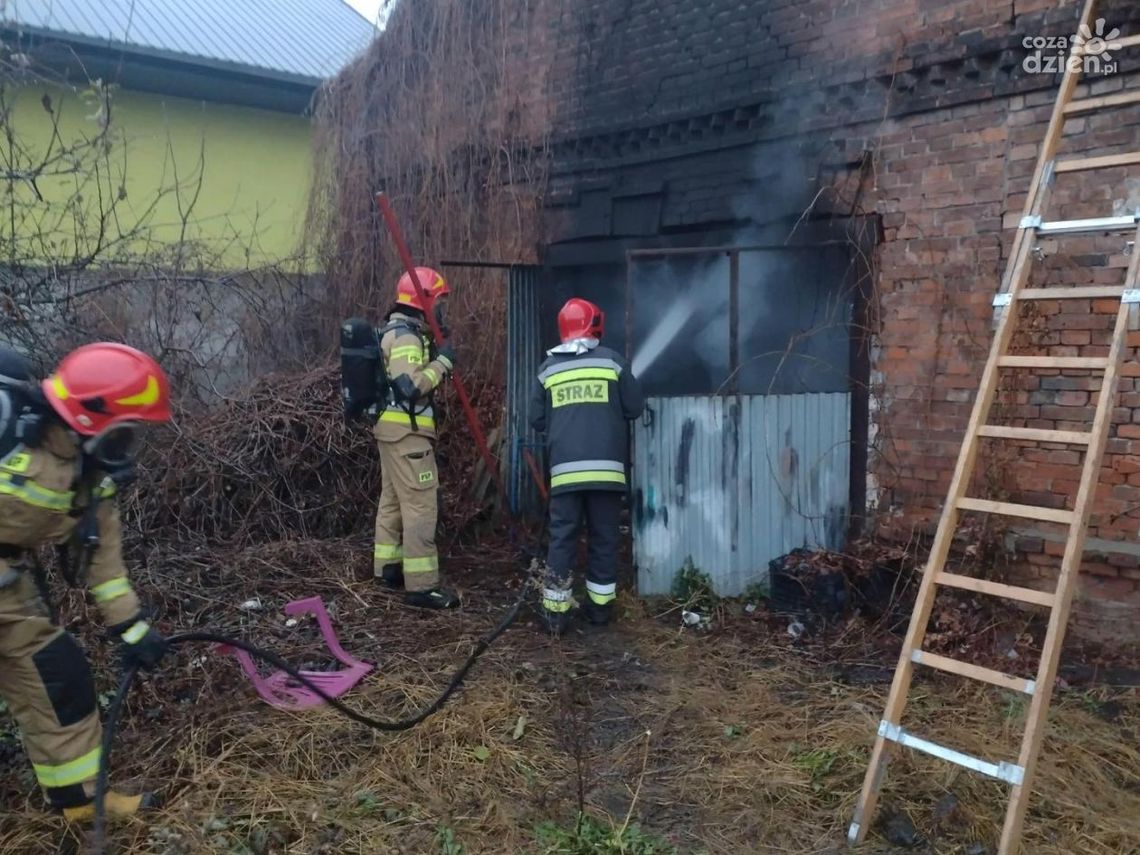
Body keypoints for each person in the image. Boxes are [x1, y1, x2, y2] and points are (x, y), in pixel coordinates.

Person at [0, 342, 171, 821]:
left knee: (58, 674)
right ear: (92, 417)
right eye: (123, 434)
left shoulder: (90, 479)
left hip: (7, 585)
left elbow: (105, 567)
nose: (126, 448)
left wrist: (133, 631)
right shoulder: (7, 428)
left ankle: (79, 803)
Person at [530, 297, 645, 635]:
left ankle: (556, 615)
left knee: (562, 539)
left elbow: (537, 419)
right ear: (595, 324)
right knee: (604, 538)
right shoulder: (613, 363)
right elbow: (635, 407)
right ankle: (599, 612)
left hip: (565, 474)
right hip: (607, 474)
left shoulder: (547, 369)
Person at [371, 267, 461, 609]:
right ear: (423, 301)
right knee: (421, 505)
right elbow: (409, 387)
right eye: (438, 301)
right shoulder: (408, 337)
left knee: (392, 502)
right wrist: (443, 363)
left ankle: (388, 569)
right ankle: (422, 587)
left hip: (390, 432)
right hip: (408, 434)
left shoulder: (392, 330)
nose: (441, 308)